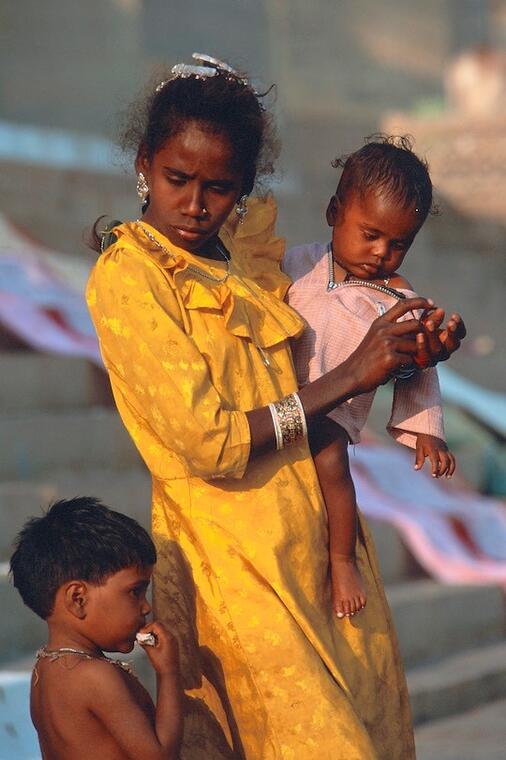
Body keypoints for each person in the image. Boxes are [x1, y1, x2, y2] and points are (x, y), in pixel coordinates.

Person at [86, 54, 465, 759]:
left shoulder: (249, 257)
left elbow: (346, 309)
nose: (196, 204)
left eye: (219, 188)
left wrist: (423, 344)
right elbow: (212, 442)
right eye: (178, 179)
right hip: (229, 555)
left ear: (244, 189)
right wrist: (351, 376)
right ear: (144, 163)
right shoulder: (130, 278)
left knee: (373, 734)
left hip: (322, 544)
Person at [283, 135, 457, 620]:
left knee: (333, 466)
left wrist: (428, 433)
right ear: (334, 212)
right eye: (370, 234)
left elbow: (418, 369)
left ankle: (342, 560)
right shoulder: (298, 262)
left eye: (398, 243)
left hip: (334, 412)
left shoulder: (401, 303)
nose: (381, 252)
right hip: (280, 395)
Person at [9, 497, 183, 760]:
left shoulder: (44, 670)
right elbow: (159, 756)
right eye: (135, 591)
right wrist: (169, 673)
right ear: (78, 599)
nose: (146, 607)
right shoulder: (96, 676)